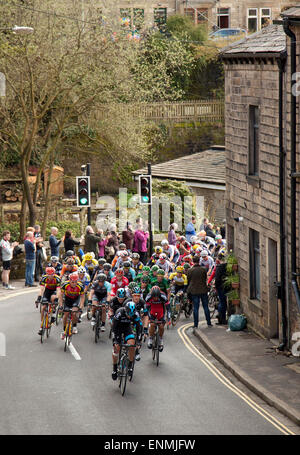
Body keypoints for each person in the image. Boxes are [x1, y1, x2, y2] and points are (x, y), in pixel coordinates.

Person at [111, 302, 143, 380]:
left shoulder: (136, 314)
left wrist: (138, 341)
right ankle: (115, 369)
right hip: (118, 329)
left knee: (132, 345)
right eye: (128, 314)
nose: (130, 316)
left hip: (127, 329)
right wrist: (115, 340)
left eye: (131, 314)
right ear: (125, 310)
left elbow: (139, 328)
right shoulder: (120, 312)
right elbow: (113, 327)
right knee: (117, 348)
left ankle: (130, 366)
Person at [187, 256, 212, 328]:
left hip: (194, 291)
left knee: (196, 308)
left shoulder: (190, 270)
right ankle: (209, 323)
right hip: (203, 290)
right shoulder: (203, 269)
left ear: (193, 261)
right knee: (205, 307)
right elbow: (205, 279)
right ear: (199, 261)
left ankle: (195, 325)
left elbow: (189, 280)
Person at [59, 272, 85, 337]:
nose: (74, 284)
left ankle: (74, 326)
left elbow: (82, 297)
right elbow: (60, 295)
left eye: (75, 282)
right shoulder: (65, 284)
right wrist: (61, 305)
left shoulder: (80, 286)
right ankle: (64, 330)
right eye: (72, 282)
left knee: (74, 312)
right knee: (65, 315)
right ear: (69, 280)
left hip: (76, 299)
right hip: (67, 299)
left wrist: (81, 307)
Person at [144, 286, 170, 351]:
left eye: (157, 297)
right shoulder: (148, 297)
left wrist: (168, 319)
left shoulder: (163, 296)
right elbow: (146, 309)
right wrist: (147, 318)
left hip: (161, 312)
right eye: (154, 297)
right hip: (152, 311)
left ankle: (161, 339)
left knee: (161, 326)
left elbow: (168, 309)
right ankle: (150, 338)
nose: (155, 298)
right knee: (152, 324)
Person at [37, 267, 61, 334]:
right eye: (48, 274)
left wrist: (56, 299)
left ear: (54, 274)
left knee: (53, 298)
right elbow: (41, 289)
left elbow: (59, 290)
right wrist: (39, 298)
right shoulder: (44, 278)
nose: (50, 276)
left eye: (52, 274)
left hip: (54, 291)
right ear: (46, 274)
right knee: (43, 307)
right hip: (47, 291)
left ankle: (53, 314)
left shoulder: (57, 279)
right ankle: (41, 326)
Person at [214, 252, 228, 325]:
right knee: (223, 302)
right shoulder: (227, 266)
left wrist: (216, 287)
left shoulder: (219, 267)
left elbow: (217, 279)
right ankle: (223, 318)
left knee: (222, 302)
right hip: (226, 286)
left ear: (218, 259)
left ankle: (221, 318)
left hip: (220, 287)